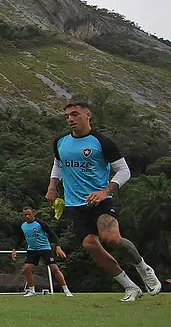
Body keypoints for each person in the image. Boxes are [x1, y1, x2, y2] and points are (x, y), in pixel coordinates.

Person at [46, 101, 162, 302]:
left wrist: (104, 191)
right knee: (92, 246)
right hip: (75, 205)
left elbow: (124, 171)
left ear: (88, 115)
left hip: (101, 202)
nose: (71, 119)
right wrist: (52, 187)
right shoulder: (60, 142)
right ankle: (130, 287)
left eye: (75, 114)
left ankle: (143, 267)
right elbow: (58, 165)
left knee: (112, 239)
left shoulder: (102, 142)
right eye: (67, 116)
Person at [11, 206, 73, 297]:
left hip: (45, 248)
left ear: (33, 213)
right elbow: (20, 238)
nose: (27, 216)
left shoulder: (40, 223)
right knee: (27, 269)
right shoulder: (23, 226)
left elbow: (52, 234)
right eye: (25, 215)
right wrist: (14, 249)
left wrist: (58, 246)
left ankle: (66, 290)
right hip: (32, 250)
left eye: (28, 214)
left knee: (54, 269)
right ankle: (32, 291)